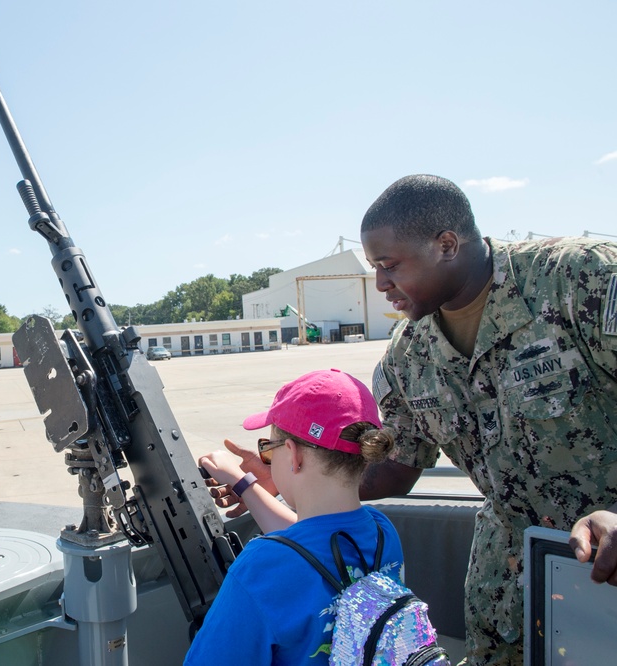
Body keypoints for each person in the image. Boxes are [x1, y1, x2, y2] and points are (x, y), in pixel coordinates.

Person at [214, 174, 617, 665]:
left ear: (446, 244)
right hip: (506, 594)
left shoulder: (576, 281)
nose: (380, 283)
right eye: (374, 268)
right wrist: (289, 477)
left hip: (605, 570)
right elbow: (397, 470)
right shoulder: (408, 358)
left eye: (390, 266)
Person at [184, 369, 402, 665]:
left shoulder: (261, 567)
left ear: (293, 455)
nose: (267, 459)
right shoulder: (382, 532)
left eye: (268, 450)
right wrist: (242, 483)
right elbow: (310, 543)